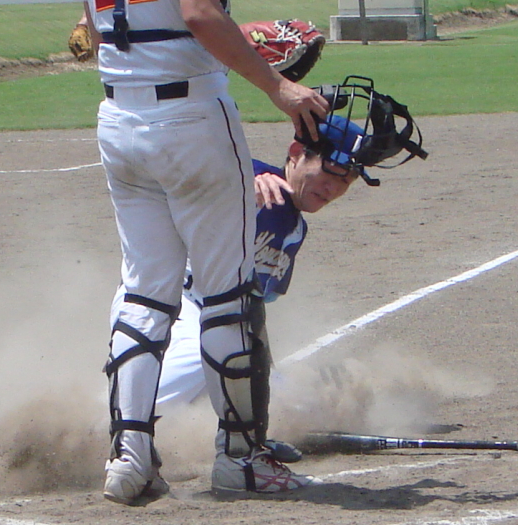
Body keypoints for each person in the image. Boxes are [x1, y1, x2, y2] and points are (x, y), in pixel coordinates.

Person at [82, 0, 329, 504]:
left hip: (119, 118)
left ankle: (129, 457)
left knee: (143, 293)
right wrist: (277, 86)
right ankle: (241, 459)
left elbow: (91, 31)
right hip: (191, 116)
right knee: (228, 295)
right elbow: (197, 12)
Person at [121, 116, 369, 416]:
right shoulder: (248, 178)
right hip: (172, 300)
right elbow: (189, 165)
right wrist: (239, 182)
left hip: (221, 319)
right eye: (329, 172)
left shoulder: (294, 231)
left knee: (296, 407)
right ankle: (109, 420)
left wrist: (263, 369)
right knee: (207, 355)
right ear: (296, 153)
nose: (332, 188)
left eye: (346, 180)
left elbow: (255, 306)